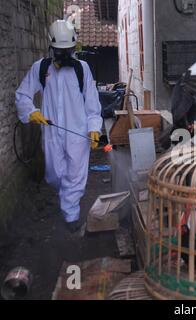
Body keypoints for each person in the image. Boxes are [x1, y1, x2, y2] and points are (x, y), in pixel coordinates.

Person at [16, 20, 102, 233]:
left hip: (78, 133)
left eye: (68, 50)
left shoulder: (83, 69)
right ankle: (64, 195)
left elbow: (92, 102)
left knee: (75, 176)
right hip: (52, 132)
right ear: (52, 47)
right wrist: (31, 111)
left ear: (74, 47)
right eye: (60, 51)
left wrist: (94, 128)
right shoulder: (41, 68)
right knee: (54, 173)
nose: (64, 55)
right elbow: (22, 94)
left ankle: (71, 215)